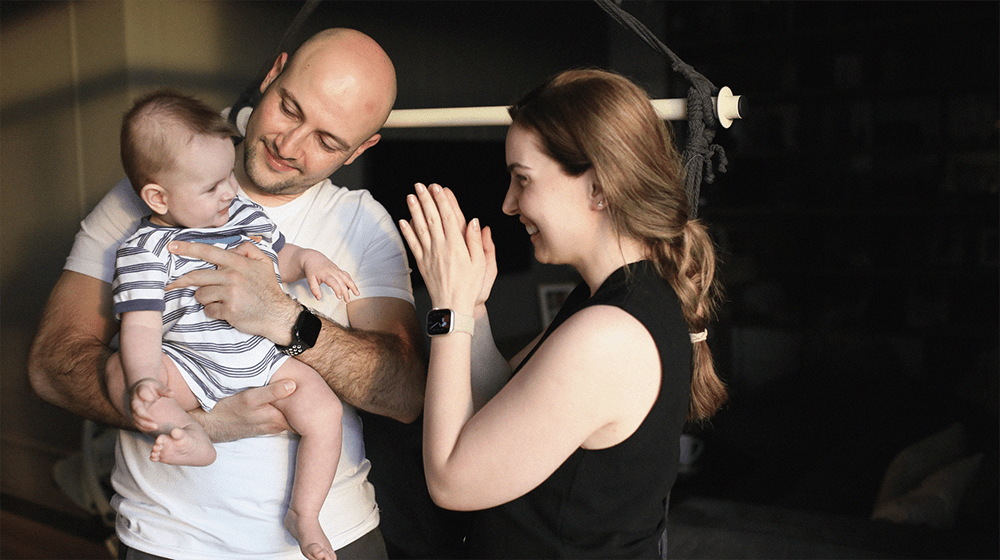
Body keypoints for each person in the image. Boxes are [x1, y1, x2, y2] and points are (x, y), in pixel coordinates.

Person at [28, 28, 432, 559]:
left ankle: (303, 510)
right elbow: (54, 363)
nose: (290, 145)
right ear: (272, 74)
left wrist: (288, 320)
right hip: (167, 540)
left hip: (335, 535)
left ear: (361, 149)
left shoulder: (361, 223)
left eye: (327, 141)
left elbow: (405, 395)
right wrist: (208, 424)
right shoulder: (148, 200)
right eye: (289, 108)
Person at [399, 68, 729, 558]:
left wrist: (447, 311)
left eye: (522, 180)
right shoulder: (612, 297)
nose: (509, 204)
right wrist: (473, 306)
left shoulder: (610, 334)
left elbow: (451, 480)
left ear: (598, 187)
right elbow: (502, 406)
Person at [108, 90, 364, 560]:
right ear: (158, 196)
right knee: (124, 376)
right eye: (211, 187)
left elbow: (279, 255)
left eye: (229, 175)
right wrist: (148, 381)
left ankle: (305, 512)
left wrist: (310, 260)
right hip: (194, 364)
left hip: (265, 359)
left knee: (324, 413)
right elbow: (140, 328)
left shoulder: (242, 214)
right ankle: (191, 434)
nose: (229, 191)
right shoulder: (145, 250)